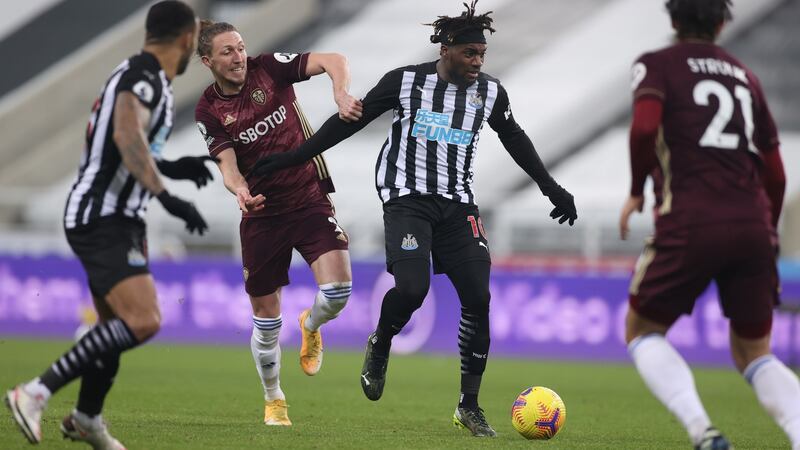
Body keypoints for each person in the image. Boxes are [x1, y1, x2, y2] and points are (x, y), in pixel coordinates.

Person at [250, 0, 577, 437]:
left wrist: (551, 188)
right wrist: (294, 158)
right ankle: (381, 342)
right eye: (470, 53)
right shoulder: (405, 82)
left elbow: (515, 138)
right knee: (412, 289)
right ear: (446, 49)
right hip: (407, 200)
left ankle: (469, 406)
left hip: (459, 206)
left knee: (478, 298)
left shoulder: (490, 92)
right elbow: (350, 122)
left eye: (482, 53)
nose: (478, 61)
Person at [3, 2, 210, 449]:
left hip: (118, 217)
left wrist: (173, 168)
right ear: (185, 39)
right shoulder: (145, 76)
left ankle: (86, 418)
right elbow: (124, 134)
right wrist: (167, 196)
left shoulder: (143, 75)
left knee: (112, 328)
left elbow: (128, 144)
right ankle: (35, 392)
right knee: (144, 320)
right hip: (104, 216)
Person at [619, 1, 799, 449]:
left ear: (674, 20)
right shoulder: (745, 76)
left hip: (690, 219)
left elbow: (644, 129)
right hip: (753, 224)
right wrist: (767, 231)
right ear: (721, 24)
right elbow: (776, 174)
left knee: (642, 330)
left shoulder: (656, 65)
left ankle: (703, 431)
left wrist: (638, 188)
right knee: (755, 352)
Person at [194, 20, 362, 426]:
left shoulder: (268, 68)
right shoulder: (209, 109)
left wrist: (339, 92)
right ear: (207, 61)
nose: (238, 57)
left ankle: (312, 323)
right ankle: (274, 399)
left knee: (338, 291)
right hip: (262, 214)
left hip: (308, 198)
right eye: (228, 52)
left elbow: (333, 59)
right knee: (267, 323)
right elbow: (227, 165)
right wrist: (239, 190)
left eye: (240, 47)